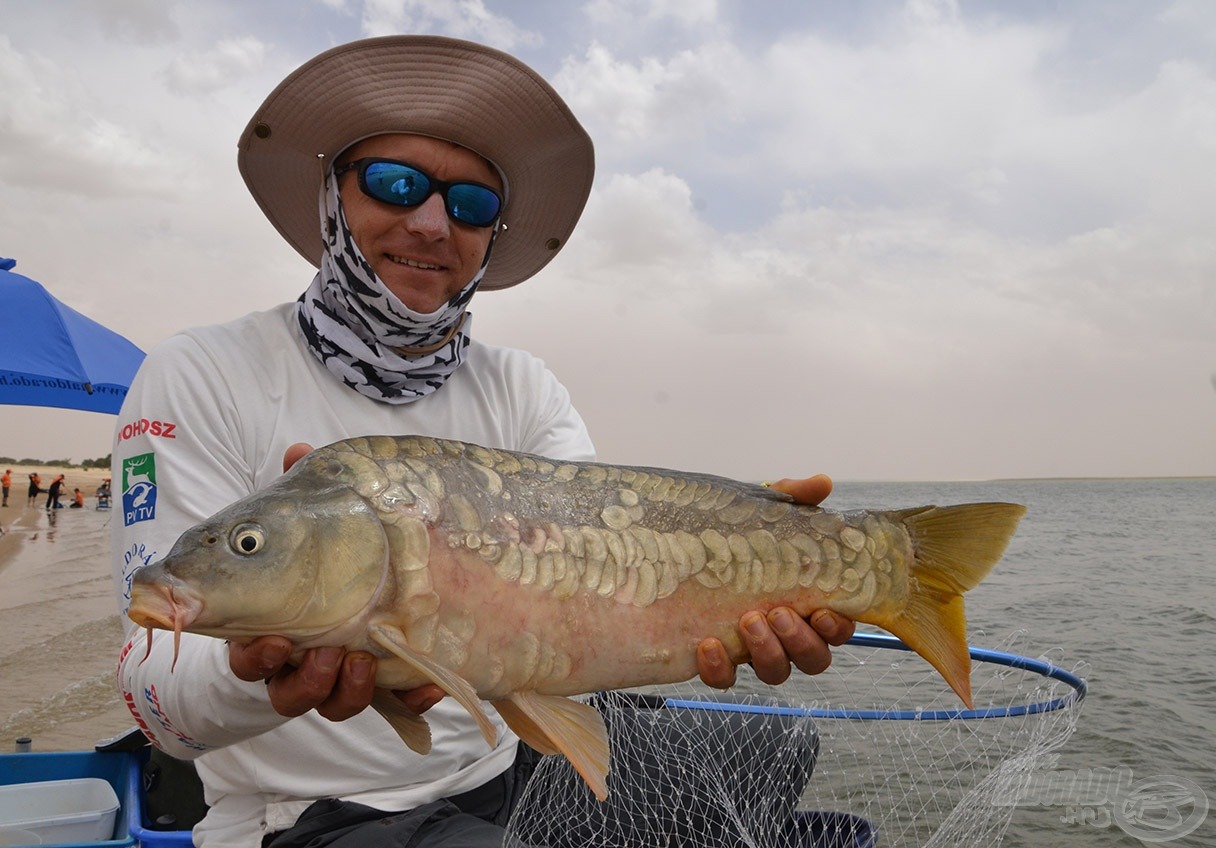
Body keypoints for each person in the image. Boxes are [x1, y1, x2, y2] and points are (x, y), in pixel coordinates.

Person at [111, 35, 853, 848]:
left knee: (778, 744)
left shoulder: (521, 386)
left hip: (506, 773)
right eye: (394, 183)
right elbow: (159, 705)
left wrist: (762, 560)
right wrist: (262, 674)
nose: (431, 224)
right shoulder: (202, 372)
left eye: (470, 205)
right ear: (331, 198)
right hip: (307, 817)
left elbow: (613, 570)